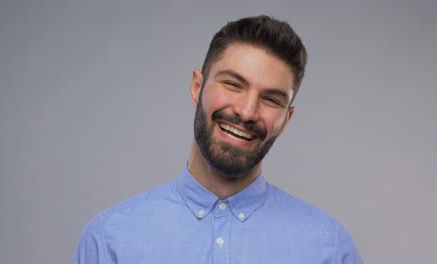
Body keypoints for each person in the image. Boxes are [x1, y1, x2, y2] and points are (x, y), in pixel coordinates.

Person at [74, 15, 362, 263]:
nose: (247, 112)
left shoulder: (331, 250)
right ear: (196, 88)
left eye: (271, 99)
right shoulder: (109, 241)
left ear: (286, 120)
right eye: (233, 84)